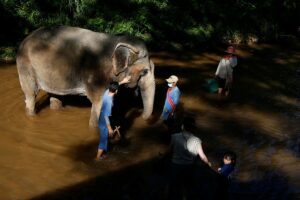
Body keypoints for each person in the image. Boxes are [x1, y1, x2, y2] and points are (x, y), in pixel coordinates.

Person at [168, 116, 211, 200]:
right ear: (194, 128)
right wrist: (208, 163)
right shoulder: (197, 140)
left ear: (182, 126)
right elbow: (202, 156)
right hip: (189, 166)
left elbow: (169, 150)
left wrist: (161, 157)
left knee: (173, 185)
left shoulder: (174, 136)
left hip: (175, 165)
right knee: (187, 185)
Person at [95, 76, 131, 161]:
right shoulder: (110, 102)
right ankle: (97, 158)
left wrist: (123, 81)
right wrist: (110, 128)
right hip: (104, 122)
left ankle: (102, 154)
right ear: (117, 91)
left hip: (101, 119)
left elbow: (114, 86)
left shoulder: (106, 92)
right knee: (103, 140)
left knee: (105, 138)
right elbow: (106, 115)